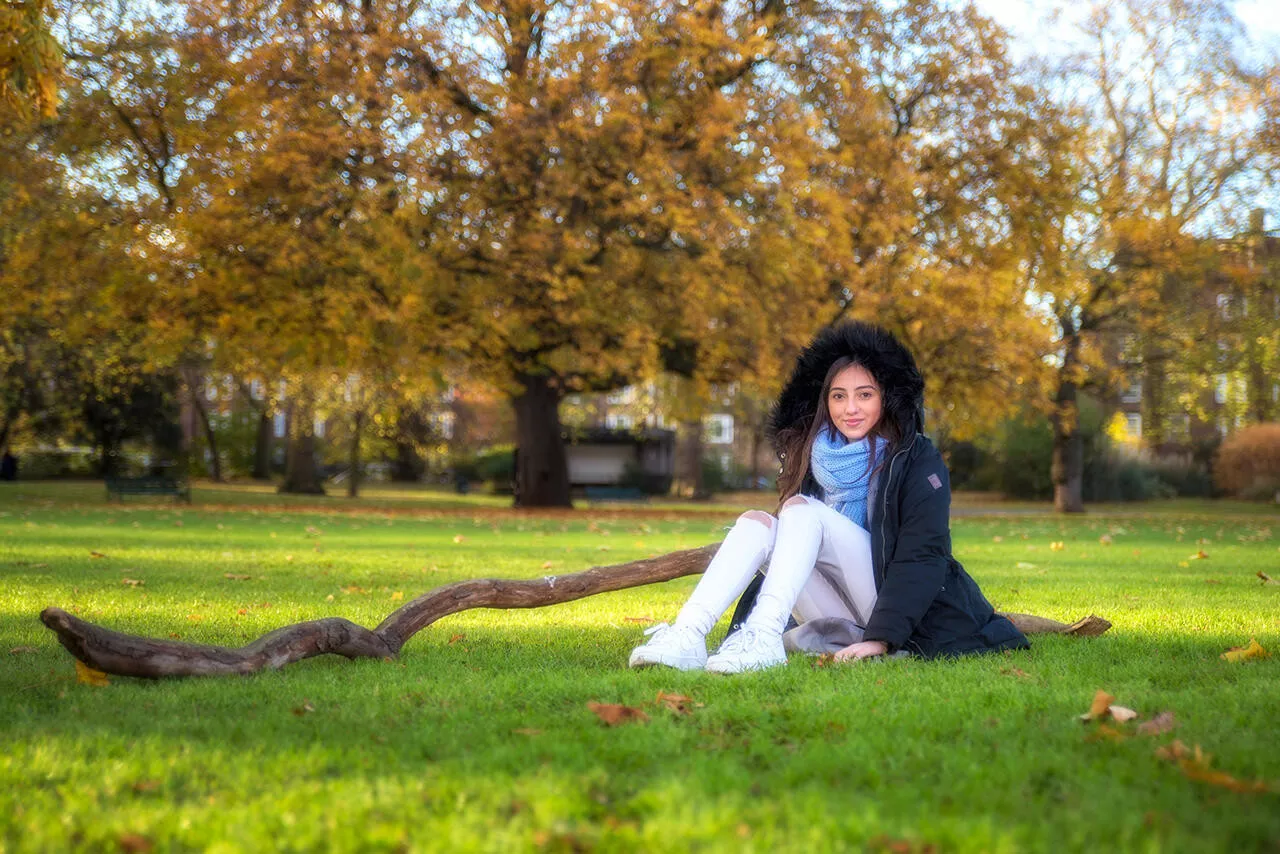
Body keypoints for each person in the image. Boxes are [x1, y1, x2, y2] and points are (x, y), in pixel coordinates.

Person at [629, 321, 1029, 673]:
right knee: (759, 522)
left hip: (899, 612)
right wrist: (737, 625)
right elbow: (786, 558)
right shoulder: (814, 456)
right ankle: (688, 635)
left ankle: (765, 637)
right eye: (838, 396)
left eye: (864, 395)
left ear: (886, 398)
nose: (849, 408)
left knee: (801, 512)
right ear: (826, 402)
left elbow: (923, 555)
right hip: (835, 610)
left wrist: (882, 638)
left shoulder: (916, 458)